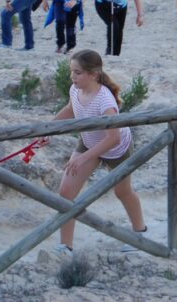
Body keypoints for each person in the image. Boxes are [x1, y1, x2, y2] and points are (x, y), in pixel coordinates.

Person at [48, 50, 147, 254]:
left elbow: (114, 138)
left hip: (117, 149)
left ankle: (140, 234)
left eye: (77, 73)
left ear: (92, 75)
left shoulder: (105, 101)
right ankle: (65, 246)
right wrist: (47, 130)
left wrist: (83, 158)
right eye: (71, 72)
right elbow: (70, 109)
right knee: (66, 193)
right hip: (88, 141)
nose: (72, 77)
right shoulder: (75, 90)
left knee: (123, 192)